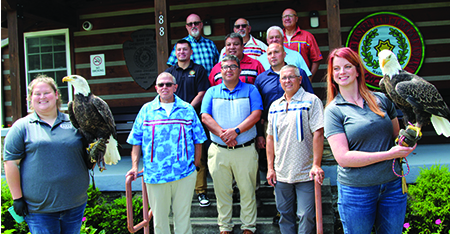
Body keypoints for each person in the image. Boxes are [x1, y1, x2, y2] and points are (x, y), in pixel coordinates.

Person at [323, 47, 416, 233]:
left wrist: (409, 141)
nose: (342, 72)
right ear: (332, 75)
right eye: (337, 68)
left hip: (393, 186)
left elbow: (397, 138)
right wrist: (388, 155)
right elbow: (343, 157)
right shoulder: (334, 110)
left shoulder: (381, 99)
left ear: (357, 70)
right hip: (357, 191)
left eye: (347, 66)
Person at [3, 75, 91, 233]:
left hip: (75, 204)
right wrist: (17, 198)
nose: (42, 97)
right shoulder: (21, 127)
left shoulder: (75, 122)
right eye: (37, 94)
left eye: (47, 92)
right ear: (30, 98)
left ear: (56, 94)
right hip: (39, 210)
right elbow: (10, 163)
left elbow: (88, 152)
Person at [126, 72, 207, 234]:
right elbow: (136, 141)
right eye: (161, 85)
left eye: (168, 84)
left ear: (175, 87)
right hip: (155, 175)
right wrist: (135, 166)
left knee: (183, 219)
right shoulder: (146, 110)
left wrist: (195, 165)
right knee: (159, 222)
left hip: (184, 174)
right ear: (156, 88)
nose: (165, 87)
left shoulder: (187, 109)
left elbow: (199, 139)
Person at [201, 55, 263, 234]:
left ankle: (248, 227)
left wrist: (235, 132)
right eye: (225, 67)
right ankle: (225, 227)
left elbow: (256, 114)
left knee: (247, 190)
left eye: (233, 66)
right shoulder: (211, 92)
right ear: (220, 71)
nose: (229, 69)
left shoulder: (251, 89)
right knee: (222, 192)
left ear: (239, 70)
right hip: (219, 150)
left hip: (244, 149)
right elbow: (205, 116)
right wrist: (224, 134)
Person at [265, 64, 325, 233]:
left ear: (300, 80)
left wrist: (316, 164)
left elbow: (318, 134)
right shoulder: (275, 106)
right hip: (281, 172)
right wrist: (270, 168)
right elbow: (270, 138)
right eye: (284, 78)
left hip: (305, 171)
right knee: (284, 214)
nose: (287, 80)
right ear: (279, 81)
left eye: (291, 77)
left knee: (306, 214)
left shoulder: (312, 101)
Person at [165, 39, 211, 207]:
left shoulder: (198, 70)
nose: (182, 52)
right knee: (175, 154)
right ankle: (176, 192)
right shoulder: (169, 72)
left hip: (193, 119)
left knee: (198, 156)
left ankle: (201, 192)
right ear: (175, 53)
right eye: (179, 50)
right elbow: (165, 93)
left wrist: (186, 110)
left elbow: (202, 92)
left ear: (191, 52)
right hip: (172, 121)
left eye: (185, 49)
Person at [282, 8, 322, 80]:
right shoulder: (278, 37)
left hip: (302, 79)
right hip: (283, 80)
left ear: (296, 19)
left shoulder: (307, 36)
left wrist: (309, 77)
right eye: (285, 16)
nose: (287, 18)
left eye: (290, 16)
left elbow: (316, 59)